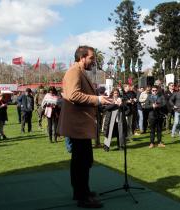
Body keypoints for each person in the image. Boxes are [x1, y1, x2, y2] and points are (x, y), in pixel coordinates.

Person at [57, 45, 113, 208]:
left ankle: (82, 192)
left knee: (83, 161)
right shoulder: (74, 72)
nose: (94, 61)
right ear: (82, 58)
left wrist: (99, 98)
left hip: (80, 125)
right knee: (81, 162)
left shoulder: (79, 71)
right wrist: (98, 100)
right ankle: (83, 197)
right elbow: (73, 95)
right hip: (77, 126)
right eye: (91, 58)